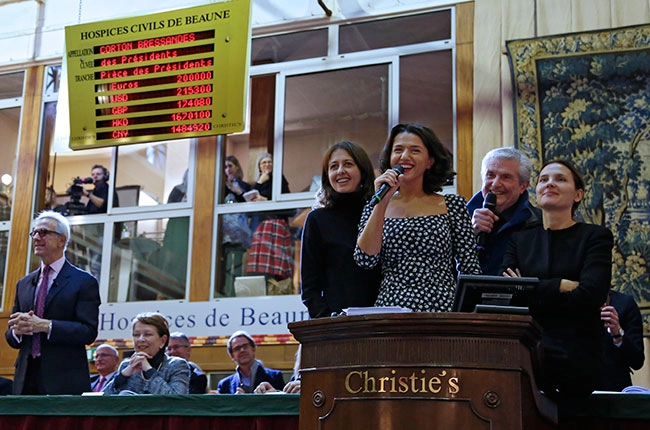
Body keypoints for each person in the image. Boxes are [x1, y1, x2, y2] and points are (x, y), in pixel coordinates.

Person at [501, 159, 613, 399]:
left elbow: (592, 295)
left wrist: (529, 288)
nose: (550, 184)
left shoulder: (595, 237)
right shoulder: (519, 240)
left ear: (578, 195)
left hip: (577, 358)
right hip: (525, 355)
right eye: (544, 179)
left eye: (560, 179)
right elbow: (507, 293)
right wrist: (562, 285)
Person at [354, 123, 481, 312]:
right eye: (398, 150)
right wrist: (382, 203)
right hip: (391, 309)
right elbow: (365, 259)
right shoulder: (376, 204)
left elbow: (470, 266)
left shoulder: (452, 205)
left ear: (430, 161)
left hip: (441, 308)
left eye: (415, 150)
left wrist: (468, 313)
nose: (405, 156)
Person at [5, 210, 100, 395]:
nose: (36, 238)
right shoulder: (23, 283)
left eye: (43, 232)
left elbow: (88, 332)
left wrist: (45, 325)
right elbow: (10, 336)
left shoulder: (83, 282)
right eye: (34, 233)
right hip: (25, 378)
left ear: (61, 240)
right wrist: (17, 331)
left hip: (64, 379)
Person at [301, 141, 381, 318]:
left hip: (381, 318)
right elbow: (310, 288)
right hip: (337, 322)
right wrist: (326, 319)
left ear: (363, 171)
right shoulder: (317, 220)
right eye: (333, 167)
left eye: (348, 164)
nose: (340, 171)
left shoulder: (379, 213)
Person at [466, 147, 541, 275]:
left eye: (506, 177)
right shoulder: (459, 217)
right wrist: (469, 234)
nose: (495, 184)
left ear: (523, 186)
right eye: (490, 175)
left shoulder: (537, 222)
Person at [103, 312, 190, 395]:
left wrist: (149, 371)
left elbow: (175, 399)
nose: (140, 339)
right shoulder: (126, 365)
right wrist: (122, 376)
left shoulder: (176, 365)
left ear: (163, 341)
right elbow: (102, 399)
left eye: (147, 334)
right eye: (136, 335)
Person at [245, 153, 294, 291]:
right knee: (262, 266)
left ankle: (277, 290)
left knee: (277, 265)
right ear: (259, 167)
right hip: (262, 226)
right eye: (264, 162)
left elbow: (286, 203)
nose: (267, 165)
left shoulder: (279, 179)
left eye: (269, 162)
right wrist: (260, 182)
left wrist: (265, 200)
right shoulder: (259, 182)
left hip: (277, 224)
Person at [597, 290, 645, 391]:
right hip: (576, 389)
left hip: (614, 388)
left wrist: (618, 335)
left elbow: (637, 361)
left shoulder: (625, 303)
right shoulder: (572, 302)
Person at [222, 156, 253, 296]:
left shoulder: (244, 186)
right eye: (225, 167)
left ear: (237, 167)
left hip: (239, 233)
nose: (228, 169)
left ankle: (234, 293)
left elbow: (249, 205)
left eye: (230, 166)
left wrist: (238, 192)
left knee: (237, 264)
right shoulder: (220, 186)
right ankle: (225, 290)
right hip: (222, 232)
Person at [217, 330, 285, 394]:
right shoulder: (224, 385)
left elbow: (284, 400)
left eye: (245, 346)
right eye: (237, 348)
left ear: (253, 348)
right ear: (232, 355)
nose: (242, 350)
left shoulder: (275, 376)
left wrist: (273, 393)